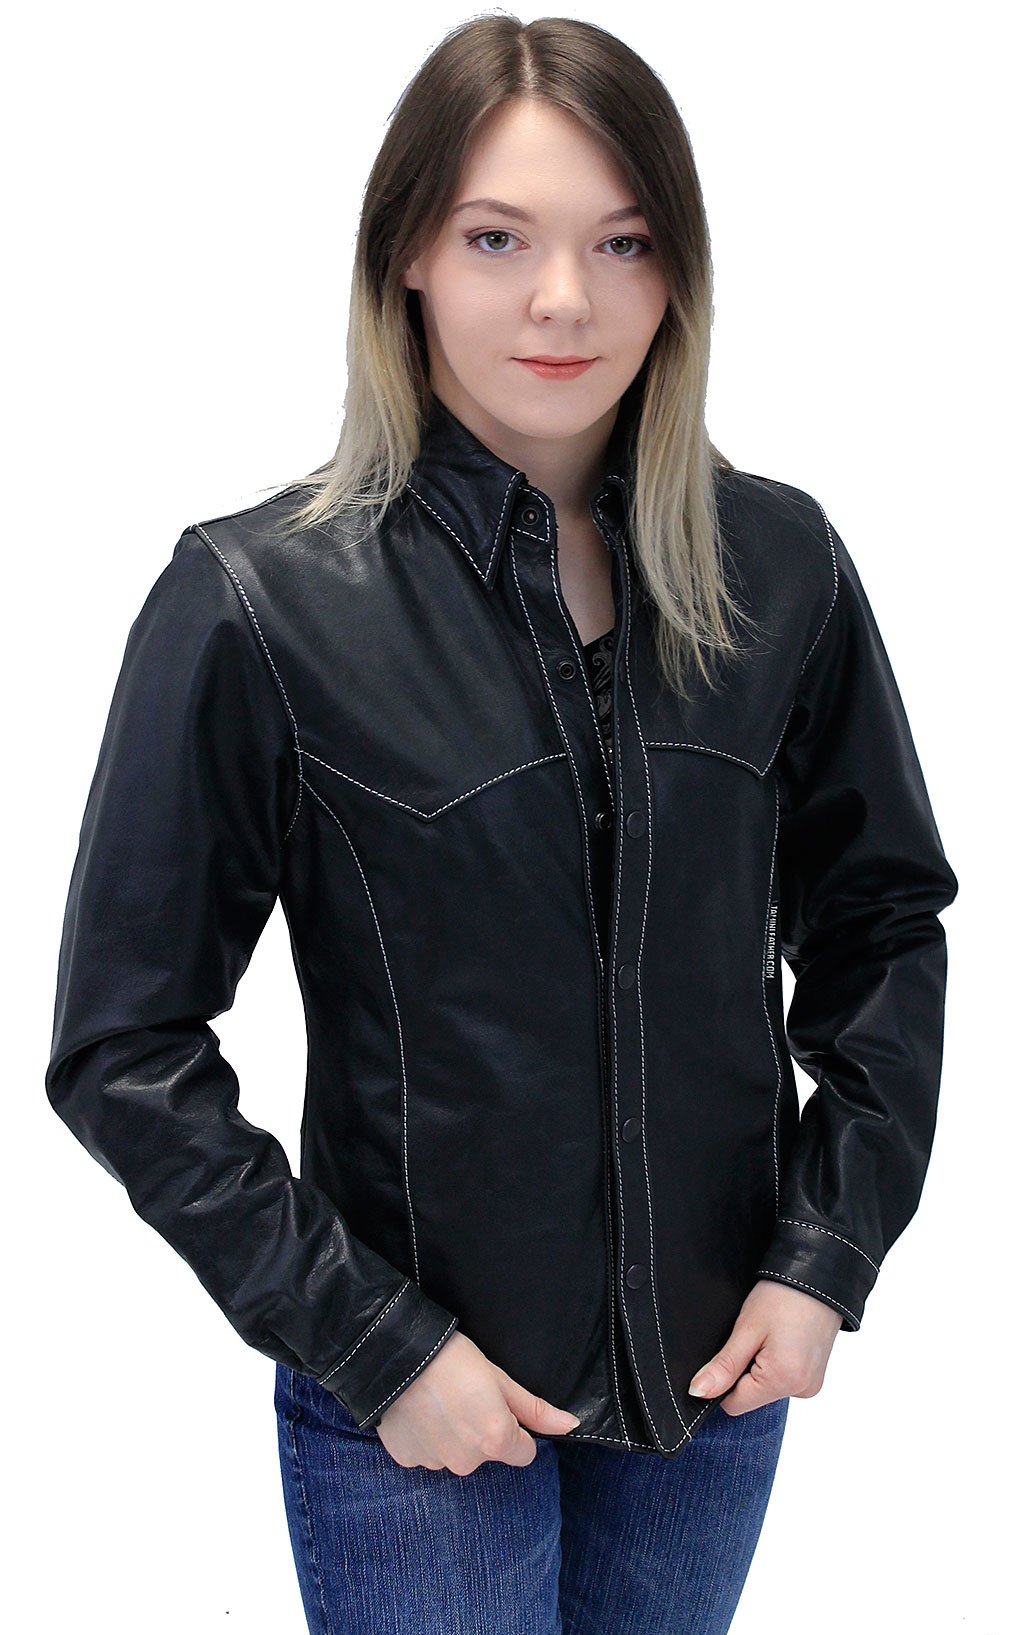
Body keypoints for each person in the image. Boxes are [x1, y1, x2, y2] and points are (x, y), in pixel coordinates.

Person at [44, 14, 959, 1635]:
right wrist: (375, 1345)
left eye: (623, 242)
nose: (563, 300)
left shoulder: (783, 567)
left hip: (714, 1389)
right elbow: (124, 1045)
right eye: (497, 239)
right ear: (406, 254)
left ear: (678, 275)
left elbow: (882, 924)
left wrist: (826, 1252)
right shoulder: (259, 601)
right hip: (421, 1419)